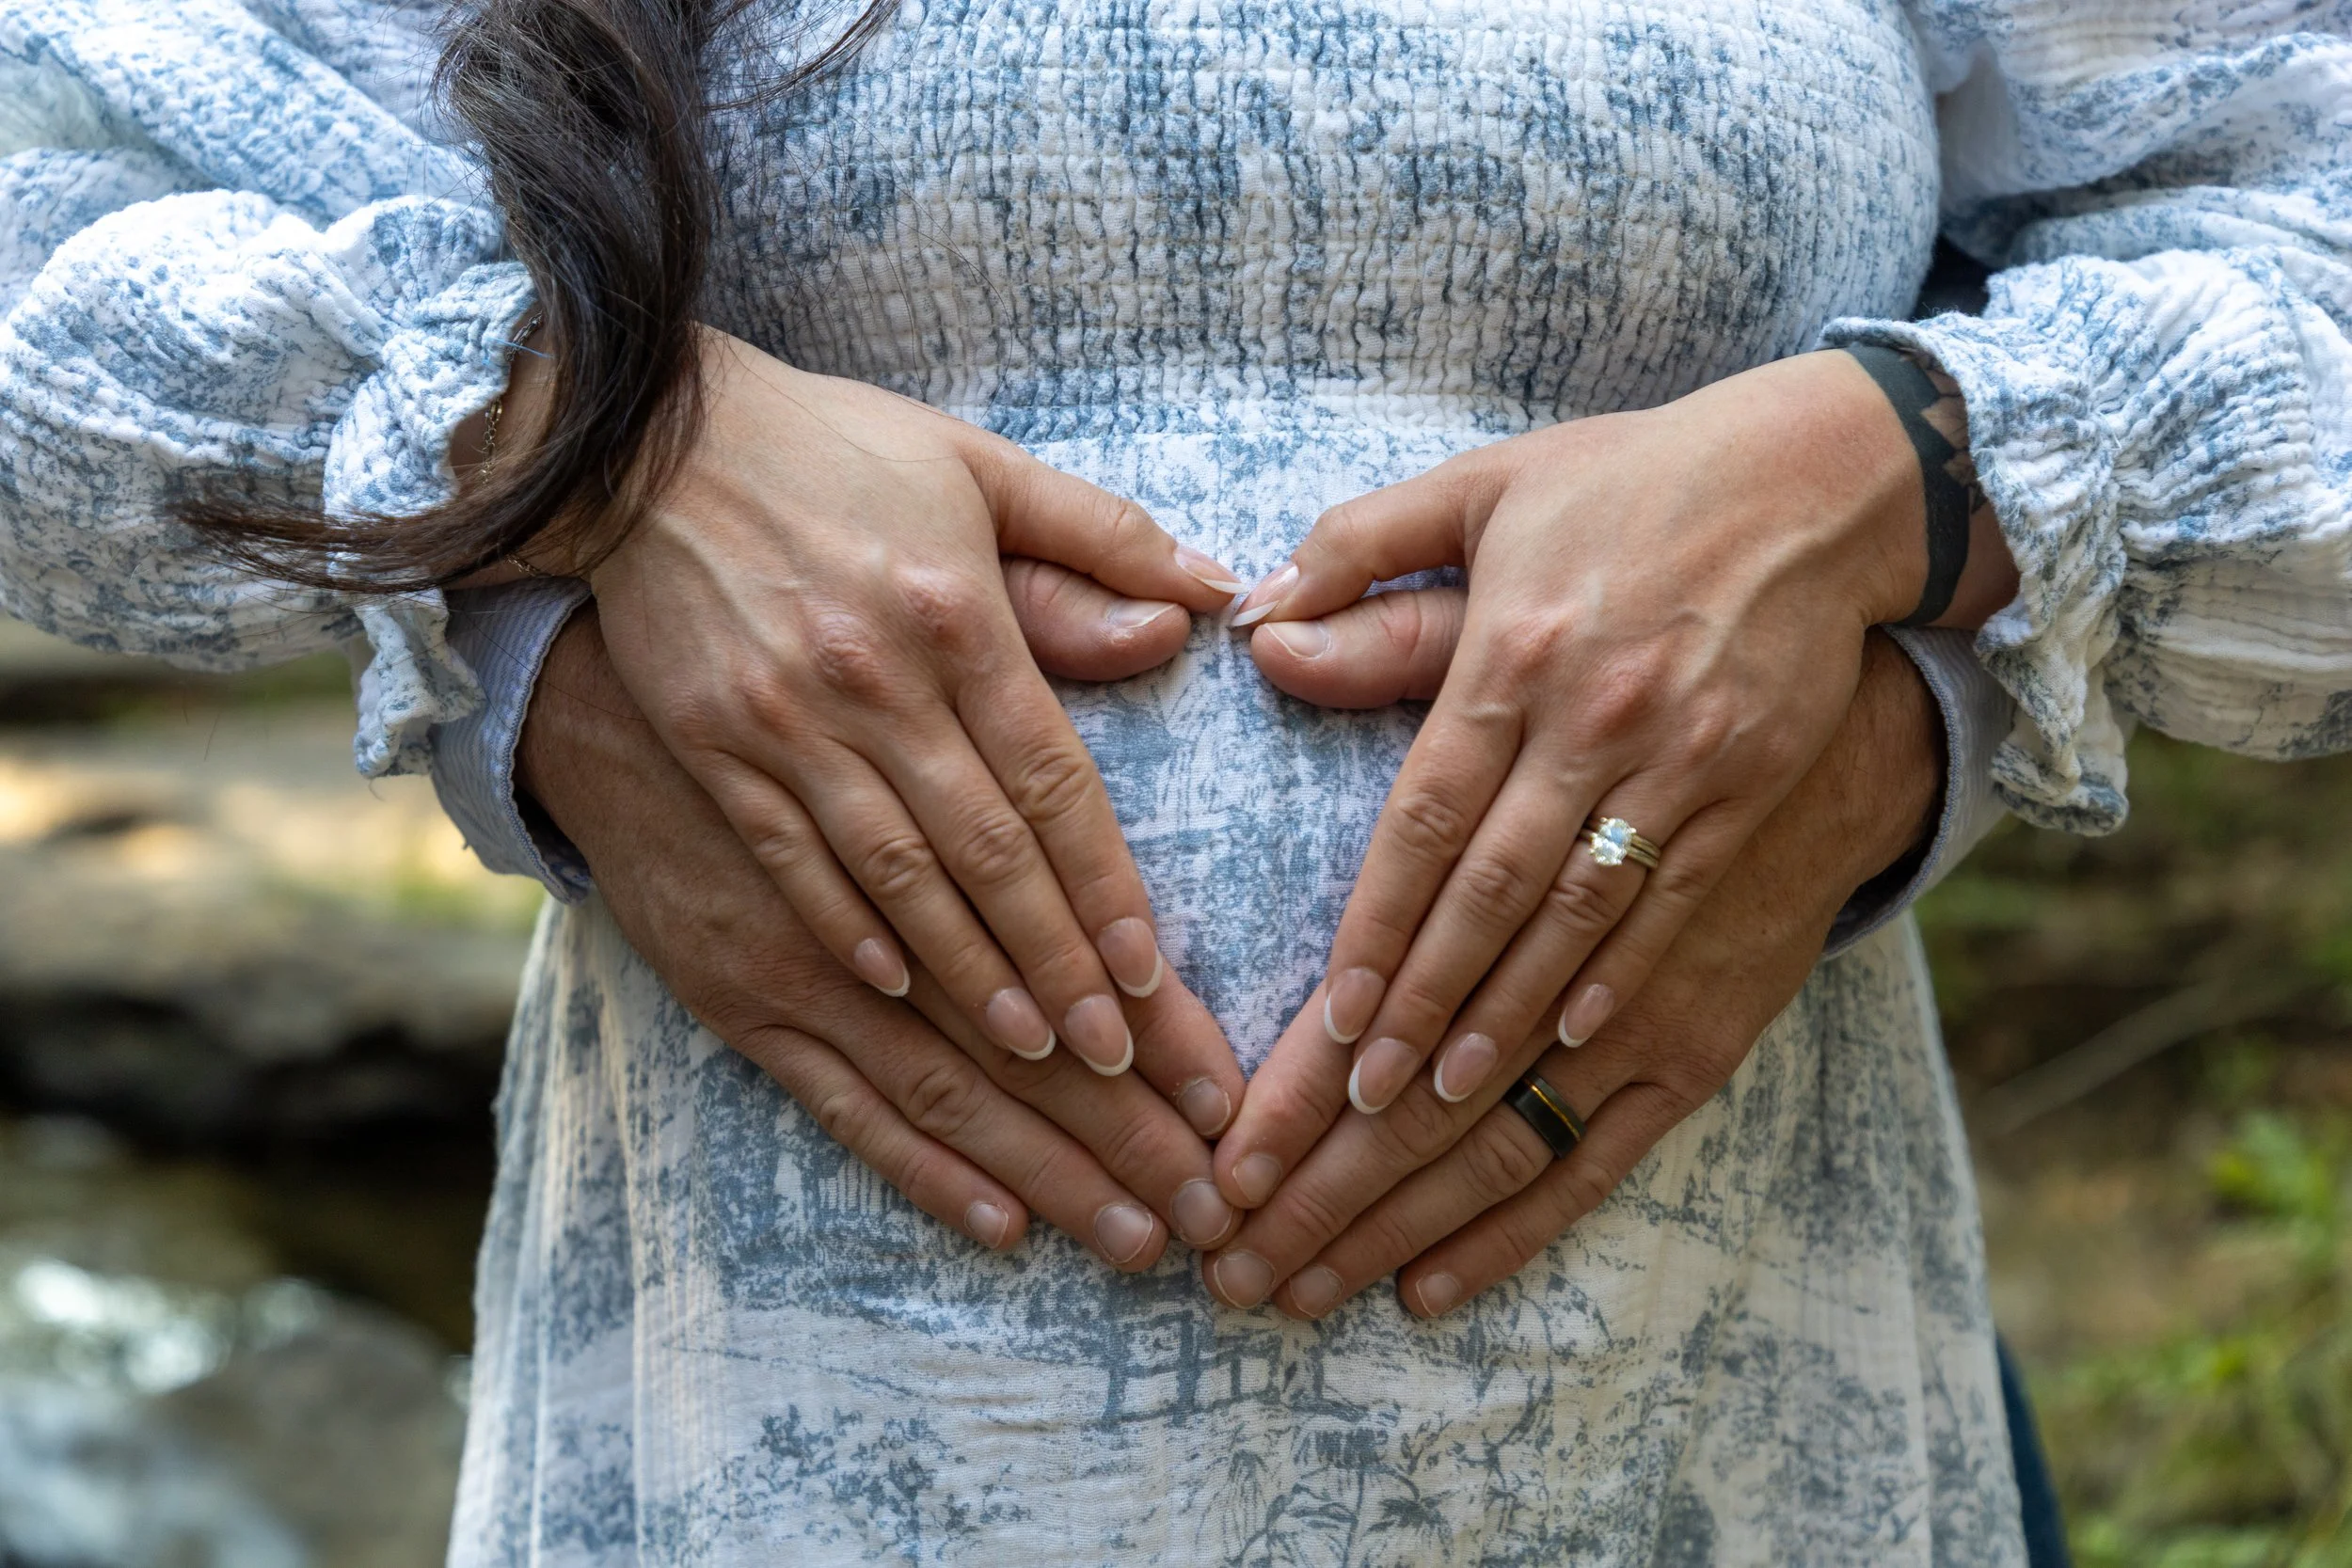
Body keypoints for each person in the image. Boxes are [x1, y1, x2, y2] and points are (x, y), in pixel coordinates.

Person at [1, 0, 2344, 1560]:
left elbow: (2299, 214)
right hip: (779, 1454)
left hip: (1710, 1431)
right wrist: (576, 449)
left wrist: (1918, 484)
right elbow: (52, 214)